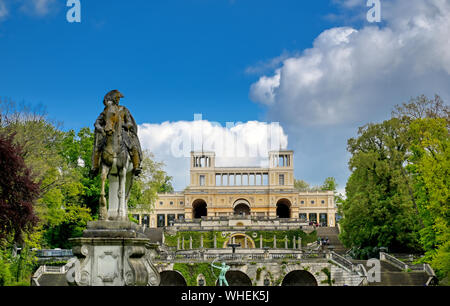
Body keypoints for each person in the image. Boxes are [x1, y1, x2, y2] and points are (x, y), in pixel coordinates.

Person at [91, 90, 143, 176]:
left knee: (133, 146)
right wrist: (101, 129)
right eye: (117, 98)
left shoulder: (123, 109)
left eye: (119, 98)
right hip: (108, 132)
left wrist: (126, 125)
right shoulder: (106, 110)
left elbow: (129, 121)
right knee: (98, 148)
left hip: (122, 131)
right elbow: (97, 122)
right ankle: (95, 166)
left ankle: (136, 166)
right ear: (113, 98)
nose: (118, 100)